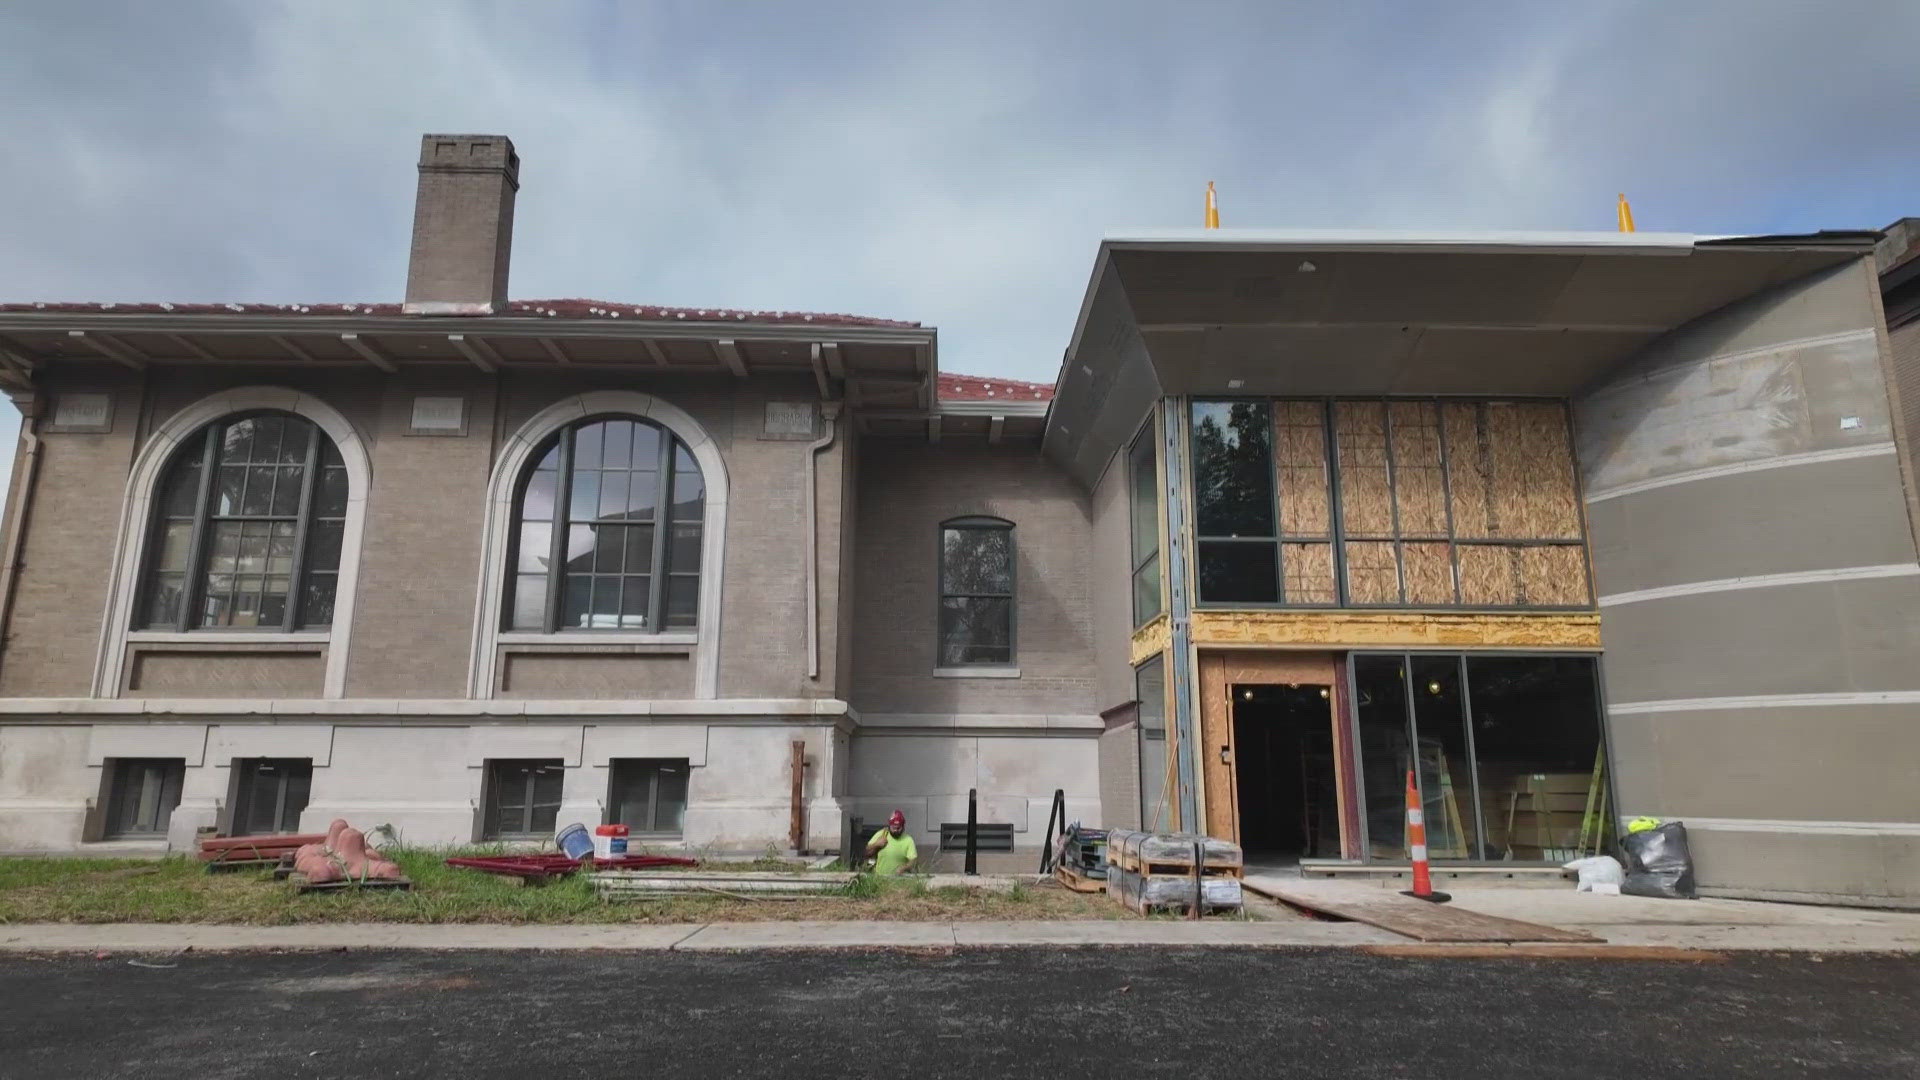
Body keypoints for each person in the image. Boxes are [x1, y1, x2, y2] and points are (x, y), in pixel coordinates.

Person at [864, 809, 918, 875]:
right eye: (893, 828)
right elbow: (867, 849)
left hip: (899, 880)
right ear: (889, 826)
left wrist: (904, 868)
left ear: (903, 827)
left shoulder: (908, 840)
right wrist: (876, 844)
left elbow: (913, 861)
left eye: (898, 828)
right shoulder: (882, 834)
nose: (895, 830)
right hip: (879, 878)